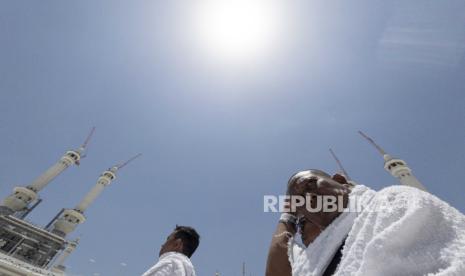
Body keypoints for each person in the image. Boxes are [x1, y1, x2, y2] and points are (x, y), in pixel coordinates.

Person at [265, 169, 465, 276]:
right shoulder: (313, 263)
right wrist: (288, 216)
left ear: (340, 181)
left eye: (311, 183)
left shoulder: (392, 202)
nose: (309, 196)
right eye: (301, 200)